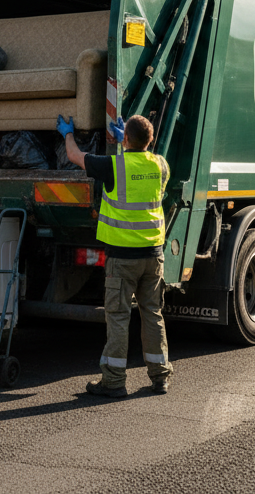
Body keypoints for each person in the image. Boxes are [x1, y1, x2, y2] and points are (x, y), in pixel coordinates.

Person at [58, 113, 173, 397]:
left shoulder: (113, 165)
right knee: (153, 314)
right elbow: (139, 172)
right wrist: (127, 141)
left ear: (125, 138)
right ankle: (160, 377)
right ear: (152, 140)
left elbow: (74, 155)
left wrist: (67, 132)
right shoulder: (161, 165)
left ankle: (113, 381)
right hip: (153, 256)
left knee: (119, 317)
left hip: (122, 258)